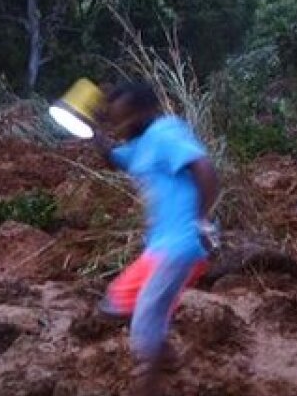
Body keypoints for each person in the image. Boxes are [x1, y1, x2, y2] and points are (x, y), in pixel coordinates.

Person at [91, 82, 221, 396]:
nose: (121, 127)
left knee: (145, 324)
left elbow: (204, 168)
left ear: (146, 111)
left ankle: (150, 384)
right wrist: (92, 130)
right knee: (113, 305)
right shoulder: (140, 146)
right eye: (117, 121)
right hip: (158, 249)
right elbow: (113, 157)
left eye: (126, 118)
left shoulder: (165, 133)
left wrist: (201, 221)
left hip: (179, 246)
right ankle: (166, 359)